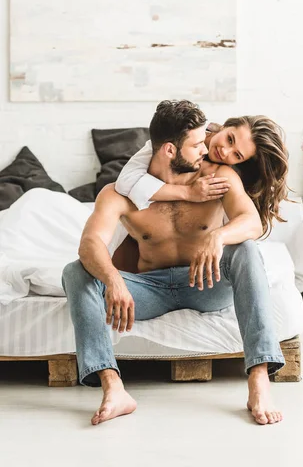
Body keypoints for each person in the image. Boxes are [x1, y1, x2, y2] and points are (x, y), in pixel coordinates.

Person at [62, 100, 285, 427]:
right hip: (148, 289)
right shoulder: (120, 192)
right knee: (74, 271)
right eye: (197, 145)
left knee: (248, 250)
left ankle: (259, 380)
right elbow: (90, 244)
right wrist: (113, 280)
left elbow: (251, 222)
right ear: (170, 150)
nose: (208, 150)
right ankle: (114, 388)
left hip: (206, 283)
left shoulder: (218, 178)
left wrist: (218, 236)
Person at [115, 115, 290, 237]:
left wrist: (219, 236)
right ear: (225, 126)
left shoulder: (225, 174)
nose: (225, 151)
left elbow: (251, 224)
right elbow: (125, 182)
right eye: (230, 139)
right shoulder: (181, 137)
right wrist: (188, 192)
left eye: (237, 155)